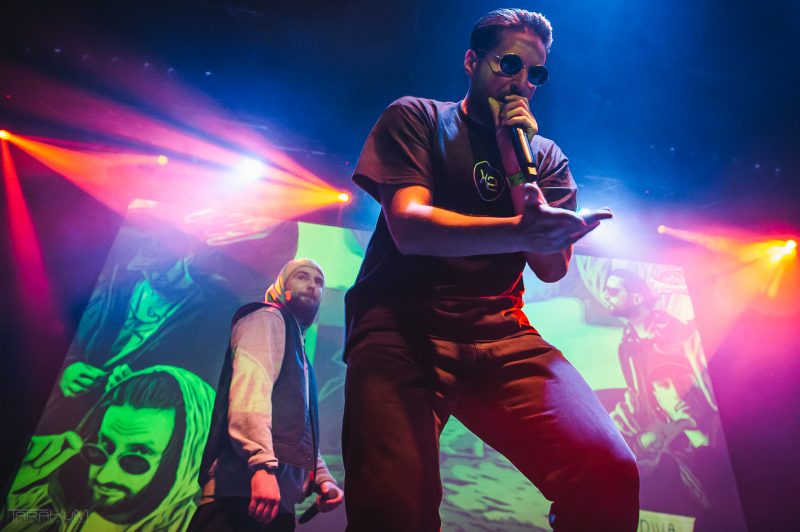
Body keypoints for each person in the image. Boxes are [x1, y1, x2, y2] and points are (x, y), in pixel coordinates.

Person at [342, 8, 638, 531]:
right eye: (509, 64)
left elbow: (551, 268)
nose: (522, 82)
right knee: (395, 511)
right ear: (471, 61)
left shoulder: (545, 157)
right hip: (401, 330)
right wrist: (520, 232)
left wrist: (517, 168)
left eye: (535, 73)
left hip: (500, 334)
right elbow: (410, 228)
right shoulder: (417, 118)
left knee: (607, 469)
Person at [191, 259, 343, 532]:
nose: (312, 285)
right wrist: (261, 466)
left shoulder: (297, 348)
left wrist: (321, 477)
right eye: (302, 276)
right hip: (241, 494)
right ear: (281, 286)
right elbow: (250, 392)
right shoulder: (266, 318)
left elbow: (298, 428)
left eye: (319, 281)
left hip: (275, 499)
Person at [2, 366, 215, 531]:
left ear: (183, 462)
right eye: (100, 450)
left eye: (135, 459)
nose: (104, 477)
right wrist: (17, 495)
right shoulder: (57, 507)